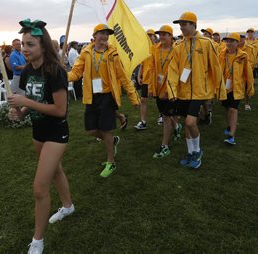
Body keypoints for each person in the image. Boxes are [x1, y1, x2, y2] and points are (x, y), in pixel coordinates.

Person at [7, 19, 74, 254]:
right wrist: (21, 112)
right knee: (55, 170)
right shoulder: (27, 71)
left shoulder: (55, 71)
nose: (25, 49)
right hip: (38, 131)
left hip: (56, 131)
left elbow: (59, 110)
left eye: (31, 44)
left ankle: (37, 241)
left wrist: (26, 102)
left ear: (43, 46)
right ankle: (68, 206)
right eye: (23, 44)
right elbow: (33, 104)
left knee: (39, 188)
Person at [68, 23, 140, 177]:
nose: (104, 36)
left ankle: (111, 162)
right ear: (94, 36)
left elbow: (123, 77)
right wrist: (63, 76)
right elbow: (76, 72)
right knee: (91, 130)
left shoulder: (113, 54)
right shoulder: (86, 53)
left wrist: (133, 96)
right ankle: (112, 141)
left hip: (107, 96)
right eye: (101, 33)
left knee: (106, 130)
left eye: (107, 34)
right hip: (91, 95)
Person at [168, 12, 226, 169]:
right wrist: (172, 90)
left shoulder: (207, 43)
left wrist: (220, 92)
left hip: (200, 91)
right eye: (179, 25)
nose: (181, 27)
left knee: (190, 122)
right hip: (183, 92)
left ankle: (198, 151)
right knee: (186, 125)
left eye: (184, 24)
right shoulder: (178, 45)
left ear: (193, 25)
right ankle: (191, 152)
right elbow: (173, 70)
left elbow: (216, 68)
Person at [148, 25, 182, 157]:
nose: (161, 37)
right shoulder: (155, 49)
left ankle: (165, 146)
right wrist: (151, 88)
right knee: (164, 114)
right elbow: (151, 69)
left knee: (166, 117)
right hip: (158, 88)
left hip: (171, 89)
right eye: (160, 34)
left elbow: (179, 72)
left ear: (170, 36)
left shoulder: (177, 50)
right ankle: (177, 127)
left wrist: (170, 90)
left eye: (164, 34)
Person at [218, 33, 254, 145]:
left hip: (236, 87)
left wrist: (249, 87)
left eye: (232, 41)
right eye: (227, 41)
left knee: (233, 109)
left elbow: (248, 73)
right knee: (226, 108)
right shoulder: (221, 54)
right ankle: (229, 126)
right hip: (224, 87)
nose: (228, 43)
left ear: (237, 43)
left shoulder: (242, 56)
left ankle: (231, 136)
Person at [134, 29, 156, 130]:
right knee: (143, 100)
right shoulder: (145, 50)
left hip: (156, 80)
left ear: (155, 37)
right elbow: (142, 65)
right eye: (148, 36)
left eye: (151, 35)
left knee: (160, 100)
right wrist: (139, 76)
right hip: (146, 79)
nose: (149, 37)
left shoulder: (157, 48)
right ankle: (143, 121)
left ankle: (162, 116)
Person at [244, 28, 258, 110]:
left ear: (254, 33)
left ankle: (247, 103)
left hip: (252, 66)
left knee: (248, 84)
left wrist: (257, 61)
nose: (250, 33)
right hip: (242, 66)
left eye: (251, 32)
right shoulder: (243, 41)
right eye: (248, 32)